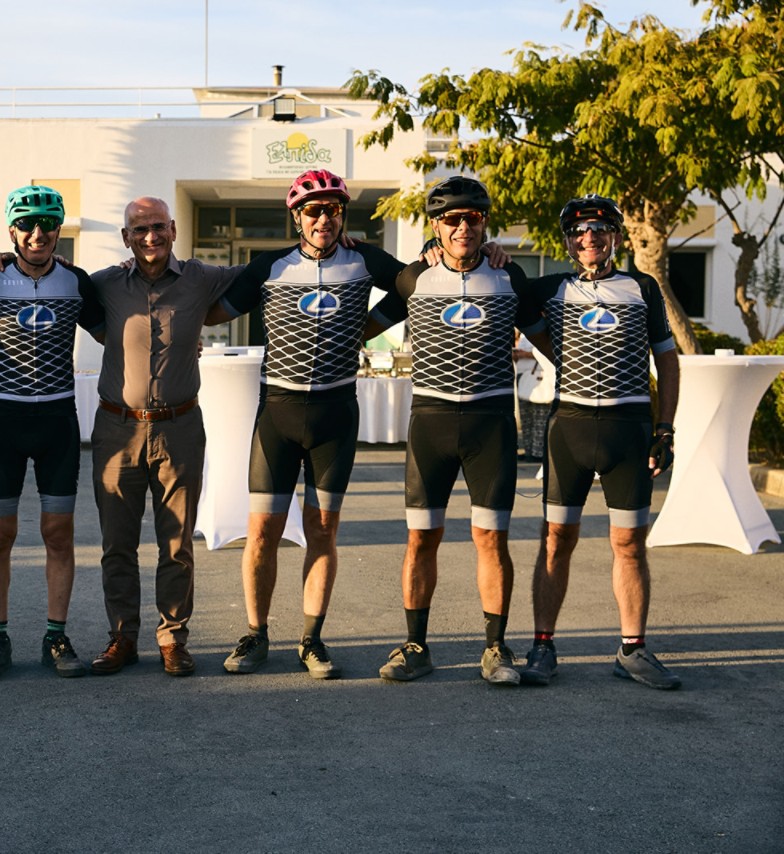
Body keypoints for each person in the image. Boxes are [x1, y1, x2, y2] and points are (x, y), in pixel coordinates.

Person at [206, 170, 408, 679]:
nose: (324, 218)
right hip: (277, 414)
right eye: (314, 211)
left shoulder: (365, 261)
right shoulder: (270, 266)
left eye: (333, 210)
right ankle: (255, 634)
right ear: (296, 217)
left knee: (322, 532)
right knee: (262, 534)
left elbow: (421, 282)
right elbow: (209, 314)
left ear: (343, 215)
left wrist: (371, 326)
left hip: (334, 417)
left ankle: (311, 639)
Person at [365, 176, 549, 685]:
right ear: (435, 227)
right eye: (451, 218)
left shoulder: (508, 278)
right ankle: (416, 645)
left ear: (485, 222)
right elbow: (365, 325)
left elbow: (551, 345)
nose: (463, 226)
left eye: (473, 217)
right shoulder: (413, 280)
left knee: (491, 538)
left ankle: (496, 648)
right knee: (421, 538)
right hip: (431, 424)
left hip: (490, 425)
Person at [0, 185, 105, 681]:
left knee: (58, 533)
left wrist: (178, 337)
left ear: (58, 229)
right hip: (4, 421)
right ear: (11, 229)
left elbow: (114, 332)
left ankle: (56, 635)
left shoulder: (76, 281)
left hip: (57, 421)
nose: (37, 233)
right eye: (27, 224)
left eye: (47, 224)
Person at [519, 194, 681, 690]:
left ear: (615, 236)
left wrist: (665, 428)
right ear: (567, 241)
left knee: (629, 543)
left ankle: (633, 649)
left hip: (628, 431)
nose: (589, 238)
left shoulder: (642, 287)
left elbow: (669, 362)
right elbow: (498, 287)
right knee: (556, 541)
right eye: (578, 231)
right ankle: (542, 646)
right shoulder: (548, 288)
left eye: (599, 229)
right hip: (569, 427)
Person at [86, 197, 241, 677]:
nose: (150, 236)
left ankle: (173, 637)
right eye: (139, 229)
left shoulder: (202, 278)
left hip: (179, 429)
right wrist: (2, 261)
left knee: (176, 543)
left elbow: (265, 270)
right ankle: (122, 637)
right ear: (125, 236)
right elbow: (50, 277)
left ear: (173, 229)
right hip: (117, 429)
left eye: (158, 227)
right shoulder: (103, 284)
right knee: (117, 543)